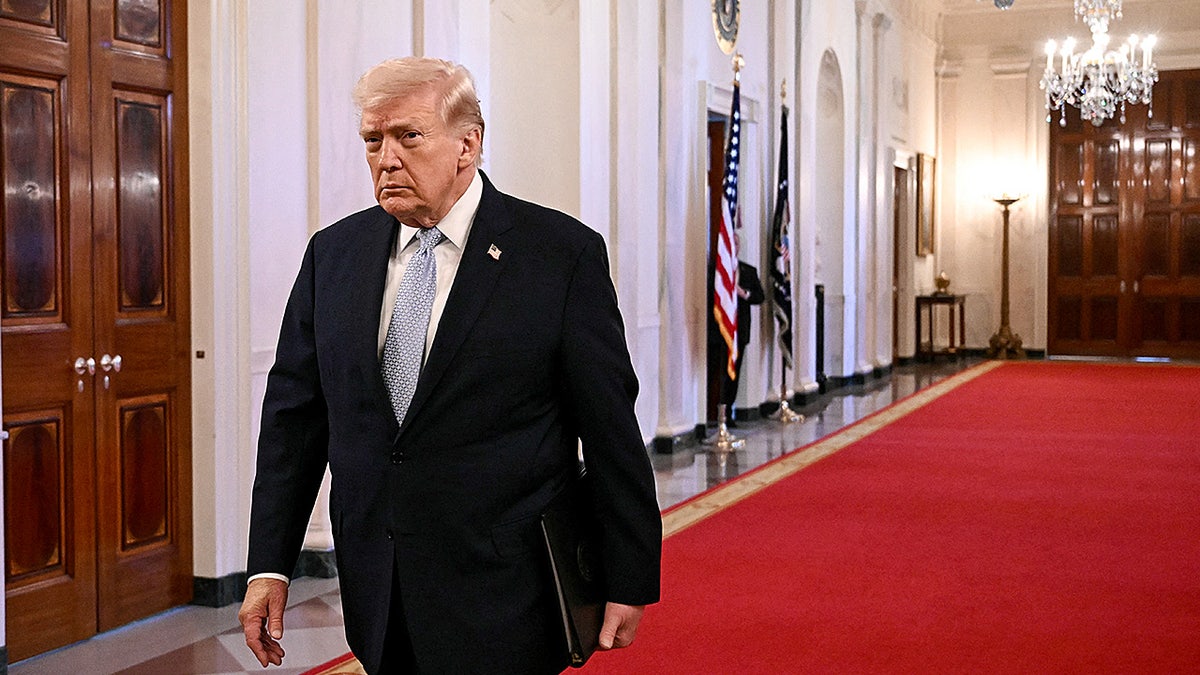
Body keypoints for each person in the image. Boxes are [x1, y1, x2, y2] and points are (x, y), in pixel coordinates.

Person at [238, 56, 662, 674]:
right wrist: (270, 564)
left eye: (408, 136)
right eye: (372, 140)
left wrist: (628, 573)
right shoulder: (334, 255)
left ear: (468, 145)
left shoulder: (559, 256)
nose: (385, 159)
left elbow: (609, 430)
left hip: (508, 594)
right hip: (378, 594)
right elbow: (293, 423)